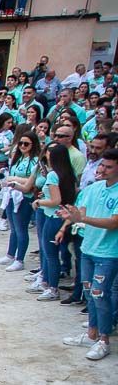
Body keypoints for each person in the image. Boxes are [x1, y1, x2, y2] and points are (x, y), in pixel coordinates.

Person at [59, 148, 118, 361]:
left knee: (100, 295)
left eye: (108, 166)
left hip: (109, 253)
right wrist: (71, 216)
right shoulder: (94, 188)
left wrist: (82, 219)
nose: (102, 169)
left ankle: (104, 340)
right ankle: (92, 333)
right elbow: (81, 212)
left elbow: (113, 222)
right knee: (90, 293)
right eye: (102, 164)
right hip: (88, 249)